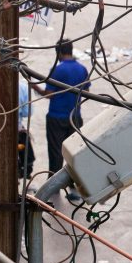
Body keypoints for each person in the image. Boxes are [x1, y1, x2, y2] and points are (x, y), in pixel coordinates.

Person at [33, 40, 90, 176]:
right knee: (74, 153)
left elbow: (49, 95)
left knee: (55, 153)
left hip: (56, 117)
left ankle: (54, 184)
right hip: (75, 117)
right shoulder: (82, 69)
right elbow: (87, 91)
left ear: (59, 52)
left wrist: (33, 86)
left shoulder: (58, 70)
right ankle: (74, 182)